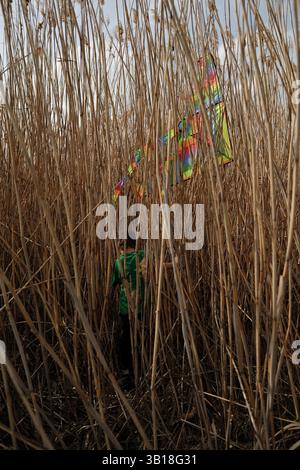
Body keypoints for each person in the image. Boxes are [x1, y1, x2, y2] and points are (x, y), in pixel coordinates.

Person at [112, 236, 145, 390]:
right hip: (143, 307)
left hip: (125, 308)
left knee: (125, 339)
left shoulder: (119, 262)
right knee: (142, 337)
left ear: (121, 248)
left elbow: (115, 283)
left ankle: (127, 371)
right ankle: (143, 369)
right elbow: (159, 267)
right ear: (135, 246)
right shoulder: (143, 256)